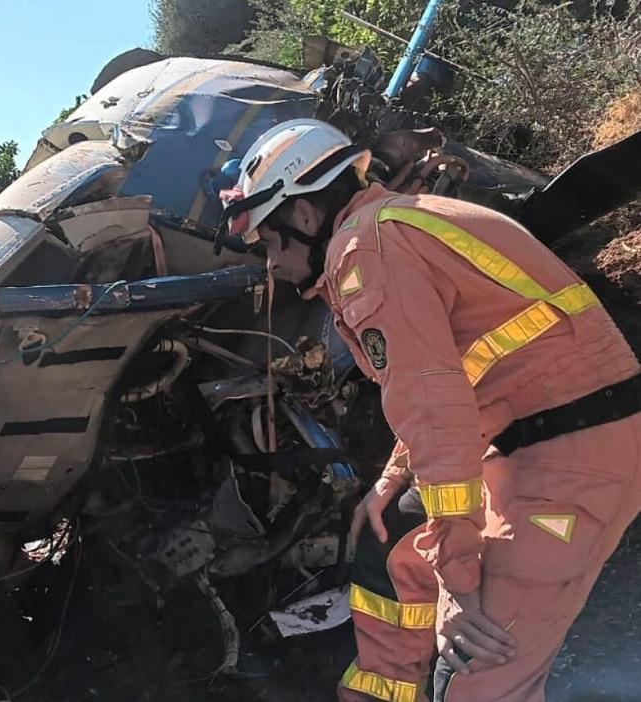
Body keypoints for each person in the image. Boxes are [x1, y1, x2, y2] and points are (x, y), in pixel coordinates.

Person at [219, 118, 641, 701]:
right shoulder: (389, 226)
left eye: (269, 242)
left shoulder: (367, 252)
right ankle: (383, 691)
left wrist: (459, 588)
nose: (271, 265)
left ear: (307, 216)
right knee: (390, 529)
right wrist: (392, 479)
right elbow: (438, 385)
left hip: (573, 461)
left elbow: (435, 413)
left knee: (473, 670)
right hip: (529, 438)